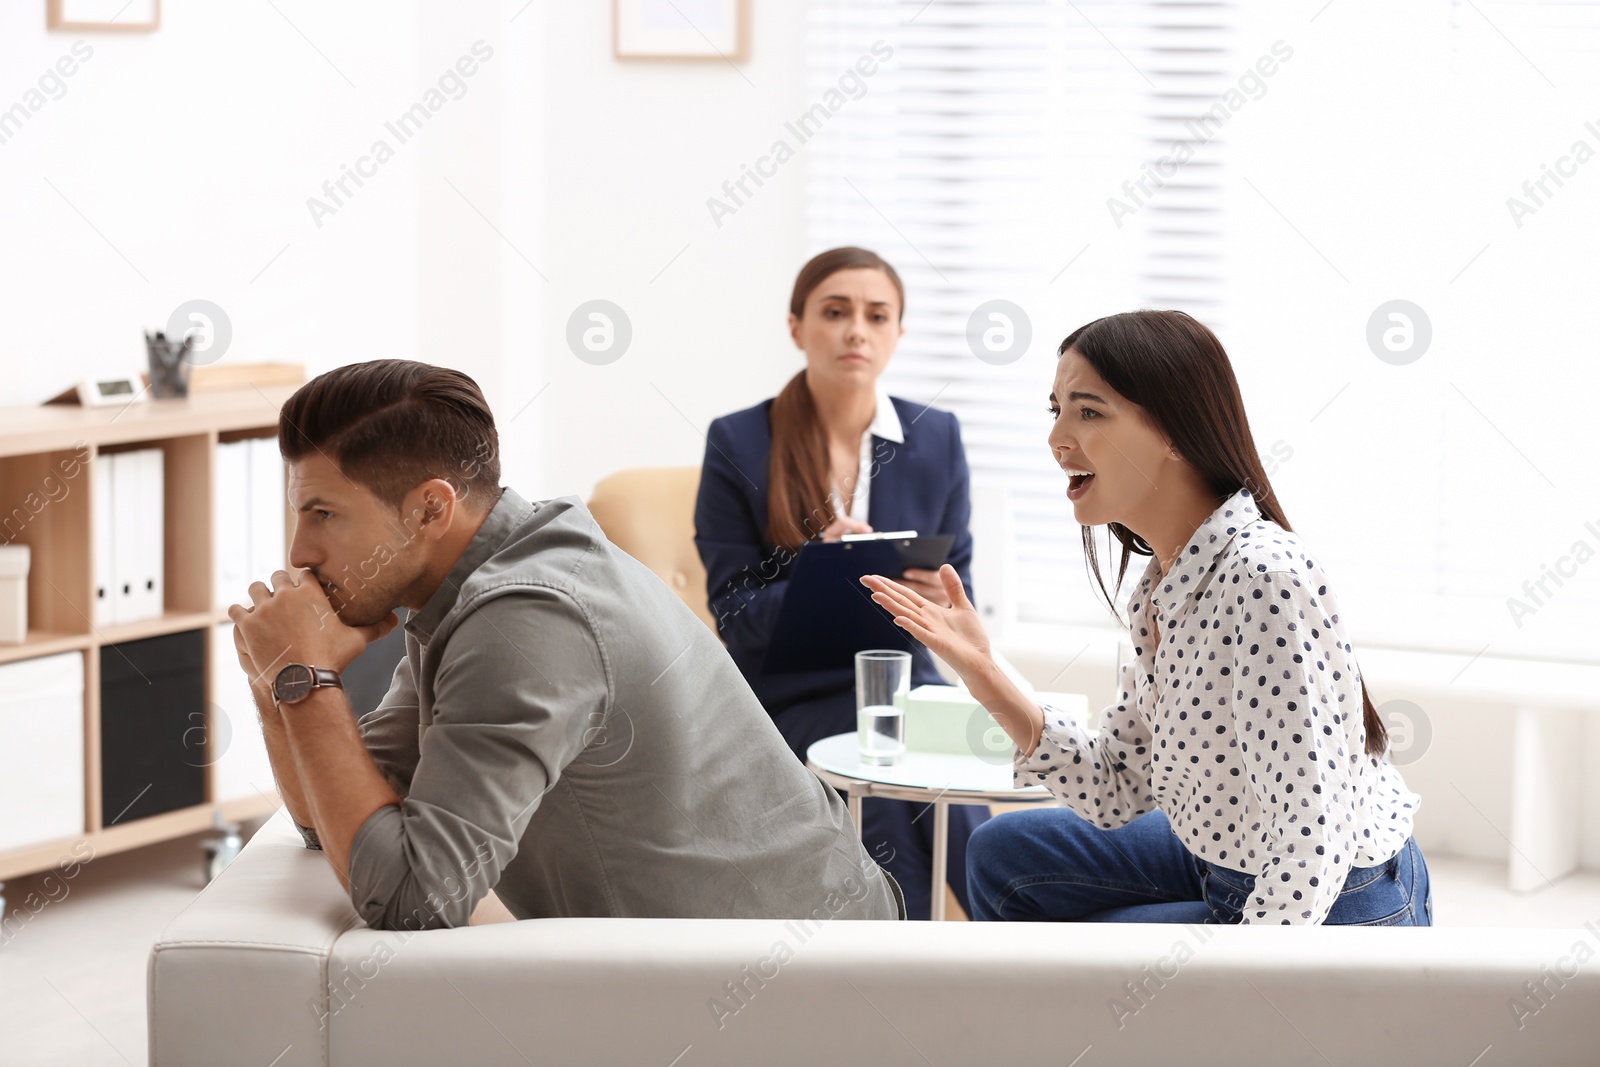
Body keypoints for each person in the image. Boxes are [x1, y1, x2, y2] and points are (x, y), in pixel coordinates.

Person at [227, 359, 902, 930]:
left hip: (807, 980)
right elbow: (334, 821)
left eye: (324, 515)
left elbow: (413, 899)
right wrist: (276, 683)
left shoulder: (524, 619)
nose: (299, 551)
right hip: (764, 955)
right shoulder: (473, 588)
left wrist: (306, 677)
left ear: (430, 508)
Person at [862, 309, 1431, 926]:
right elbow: (1117, 784)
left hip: (1328, 896)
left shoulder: (1264, 579)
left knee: (1098, 973)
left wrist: (1239, 982)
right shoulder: (1161, 586)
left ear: (1174, 431)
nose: (1058, 439)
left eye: (1088, 411)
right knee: (1002, 852)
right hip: (1220, 854)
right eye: (1055, 410)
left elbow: (1310, 837)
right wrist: (985, 673)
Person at [694, 246, 990, 921]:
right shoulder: (740, 441)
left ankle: (1018, 945)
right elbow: (735, 614)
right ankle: (906, 959)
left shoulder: (937, 436)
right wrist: (820, 574)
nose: (857, 329)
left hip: (905, 676)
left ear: (896, 335)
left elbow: (957, 583)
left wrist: (939, 600)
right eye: (835, 312)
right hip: (790, 692)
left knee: (964, 774)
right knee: (886, 784)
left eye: (876, 315)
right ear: (797, 327)